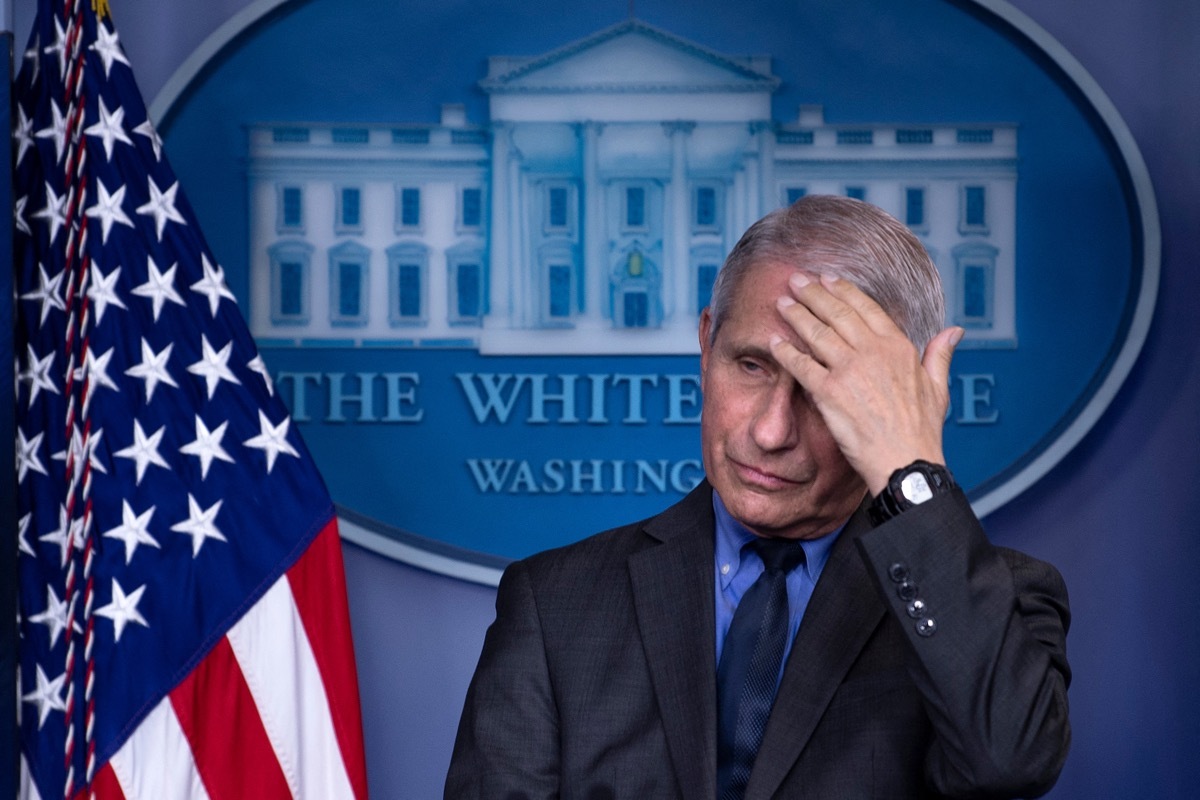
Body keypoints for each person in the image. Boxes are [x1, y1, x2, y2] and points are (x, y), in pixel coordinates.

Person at [445, 195, 1071, 799]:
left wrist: (910, 467)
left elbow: (1009, 762)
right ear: (706, 343)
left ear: (891, 399)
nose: (771, 432)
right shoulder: (554, 605)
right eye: (750, 366)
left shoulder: (998, 602)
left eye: (821, 390)